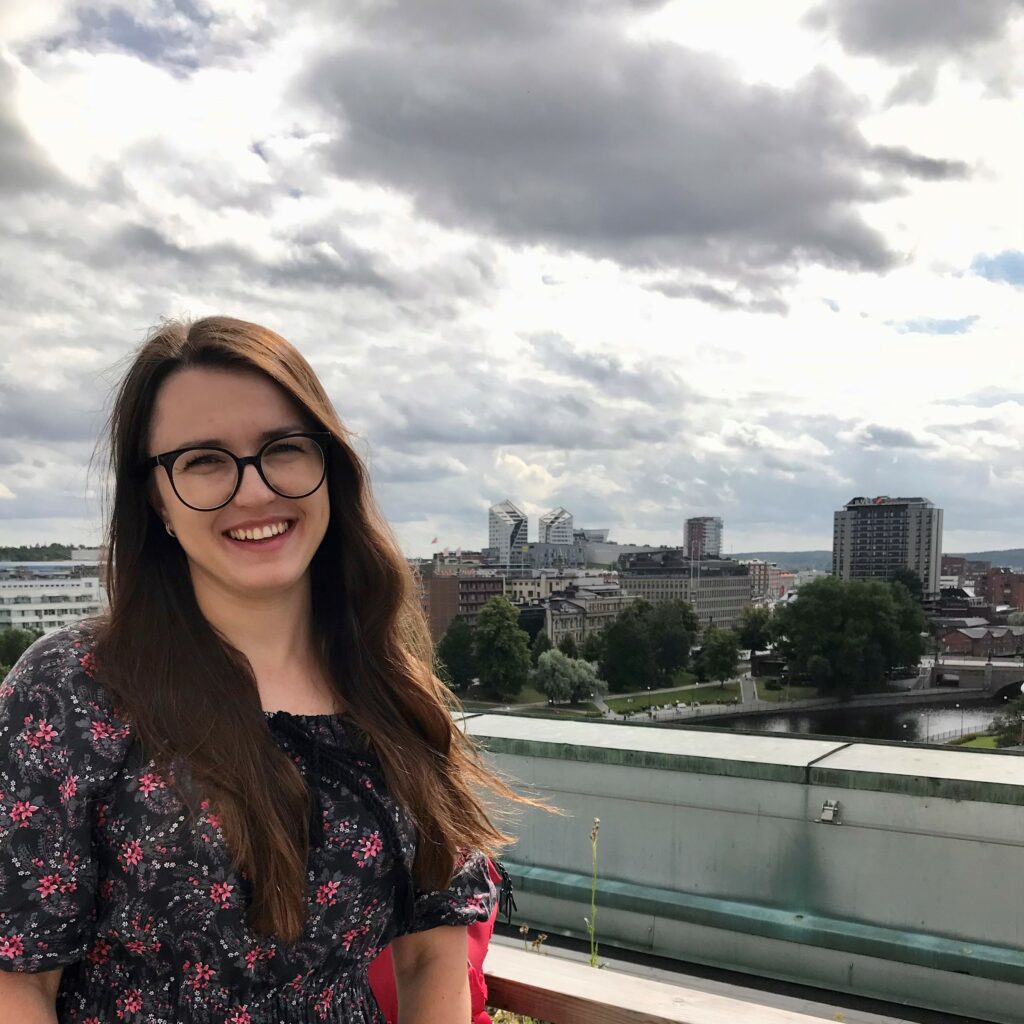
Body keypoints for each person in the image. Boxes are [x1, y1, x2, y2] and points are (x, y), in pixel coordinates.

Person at [0, 316, 528, 1023]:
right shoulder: (73, 689)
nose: (253, 492)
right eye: (203, 460)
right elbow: (18, 980)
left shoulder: (387, 687)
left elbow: (435, 952)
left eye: (282, 448)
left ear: (328, 467)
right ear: (156, 496)